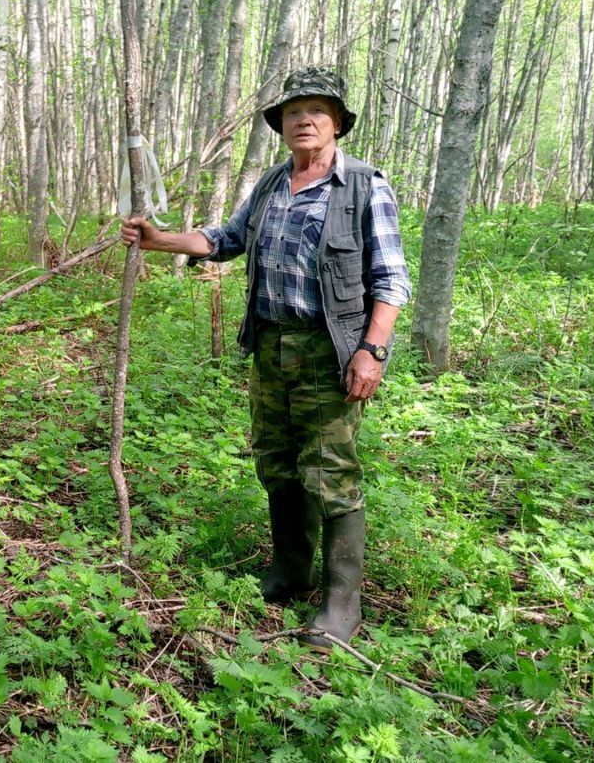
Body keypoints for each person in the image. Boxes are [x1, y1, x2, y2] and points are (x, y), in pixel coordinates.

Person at [121, 66, 411, 650]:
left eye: (317, 111)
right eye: (293, 112)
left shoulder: (363, 186)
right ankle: (289, 572)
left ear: (337, 124)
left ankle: (341, 604)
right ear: (280, 125)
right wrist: (158, 240)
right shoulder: (274, 184)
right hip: (271, 347)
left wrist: (372, 350)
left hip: (332, 350)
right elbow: (225, 240)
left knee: (330, 470)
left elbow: (390, 277)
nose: (304, 120)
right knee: (277, 461)